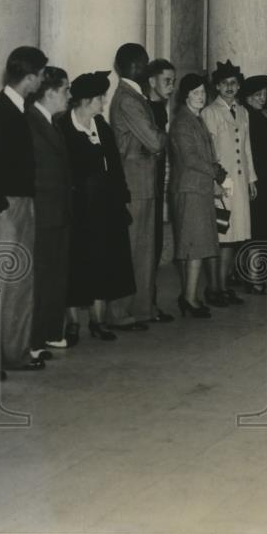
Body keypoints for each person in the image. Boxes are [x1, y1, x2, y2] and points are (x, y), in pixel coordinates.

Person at [0, 45, 48, 376]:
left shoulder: (17, 110)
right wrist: (3, 214)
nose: (43, 79)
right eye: (41, 74)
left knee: (20, 284)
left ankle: (14, 353)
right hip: (3, 208)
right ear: (30, 77)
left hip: (21, 205)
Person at [58, 72, 137, 342]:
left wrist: (121, 196)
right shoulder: (63, 129)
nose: (103, 103)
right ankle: (72, 324)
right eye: (100, 98)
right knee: (75, 265)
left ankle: (98, 320)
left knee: (103, 262)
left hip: (105, 208)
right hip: (77, 210)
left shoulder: (101, 127)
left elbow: (115, 166)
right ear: (86, 100)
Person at [108, 43, 167, 330]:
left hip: (142, 180)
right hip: (135, 182)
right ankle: (120, 312)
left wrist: (152, 144)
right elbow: (154, 140)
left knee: (143, 249)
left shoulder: (134, 95)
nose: (147, 67)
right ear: (133, 65)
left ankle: (141, 308)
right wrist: (160, 140)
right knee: (132, 249)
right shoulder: (129, 99)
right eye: (144, 62)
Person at [169, 73, 226, 318]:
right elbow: (190, 158)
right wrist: (215, 172)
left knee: (196, 246)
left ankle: (190, 296)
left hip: (198, 188)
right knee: (193, 246)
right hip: (190, 189)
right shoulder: (183, 122)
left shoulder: (195, 119)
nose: (201, 97)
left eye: (203, 92)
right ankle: (189, 298)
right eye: (195, 93)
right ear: (186, 96)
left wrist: (214, 178)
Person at [27, 67, 73, 354]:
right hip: (43, 213)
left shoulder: (52, 123)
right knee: (41, 278)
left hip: (57, 212)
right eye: (66, 90)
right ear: (51, 92)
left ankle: (50, 332)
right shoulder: (31, 122)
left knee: (55, 276)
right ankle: (34, 340)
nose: (69, 96)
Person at [201, 60, 254, 305]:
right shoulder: (209, 113)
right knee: (221, 235)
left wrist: (252, 179)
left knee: (235, 235)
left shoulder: (243, 112)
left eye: (233, 83)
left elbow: (247, 149)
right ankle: (215, 288)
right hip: (222, 182)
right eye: (224, 84)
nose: (229, 87)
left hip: (240, 183)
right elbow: (208, 151)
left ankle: (224, 286)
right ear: (217, 87)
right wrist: (215, 180)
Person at [241, 74, 267, 291]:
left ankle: (259, 276)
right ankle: (255, 277)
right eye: (258, 95)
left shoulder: (258, 115)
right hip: (259, 181)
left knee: (263, 230)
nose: (262, 98)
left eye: (265, 94)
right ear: (248, 97)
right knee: (259, 230)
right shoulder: (249, 117)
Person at [144, 58, 177, 322]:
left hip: (155, 184)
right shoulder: (148, 108)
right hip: (145, 186)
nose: (171, 86)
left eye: (173, 81)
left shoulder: (160, 108)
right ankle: (147, 304)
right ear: (152, 81)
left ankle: (150, 303)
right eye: (167, 81)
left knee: (153, 249)